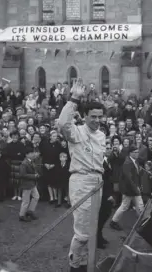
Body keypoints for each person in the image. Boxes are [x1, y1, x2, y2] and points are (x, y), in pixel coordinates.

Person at [58, 78, 106, 272]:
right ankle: (74, 265)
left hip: (97, 183)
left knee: (91, 231)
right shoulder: (76, 132)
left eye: (99, 117)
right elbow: (62, 124)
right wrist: (74, 99)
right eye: (93, 116)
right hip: (81, 181)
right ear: (84, 116)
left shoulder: (102, 135)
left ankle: (86, 265)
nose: (96, 120)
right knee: (82, 233)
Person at [110, 145, 144, 231]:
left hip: (133, 189)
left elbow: (136, 176)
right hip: (129, 190)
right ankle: (113, 221)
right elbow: (129, 179)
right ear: (130, 153)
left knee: (139, 206)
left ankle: (142, 223)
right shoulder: (127, 163)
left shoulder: (135, 161)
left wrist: (139, 185)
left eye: (137, 152)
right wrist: (136, 189)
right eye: (135, 152)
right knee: (125, 206)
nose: (137, 154)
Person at [97, 143, 114, 249]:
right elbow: (102, 181)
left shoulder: (108, 161)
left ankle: (100, 236)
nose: (109, 150)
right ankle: (97, 240)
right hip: (103, 194)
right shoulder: (100, 163)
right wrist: (108, 195)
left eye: (110, 148)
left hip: (108, 192)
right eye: (106, 148)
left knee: (105, 216)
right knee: (101, 217)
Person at [18, 148, 41, 222]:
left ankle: (30, 211)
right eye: (31, 153)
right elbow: (22, 174)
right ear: (27, 155)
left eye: (32, 152)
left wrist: (36, 174)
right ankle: (21, 215)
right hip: (27, 184)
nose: (33, 154)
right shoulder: (24, 163)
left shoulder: (31, 161)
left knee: (36, 197)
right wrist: (34, 176)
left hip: (32, 184)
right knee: (26, 200)